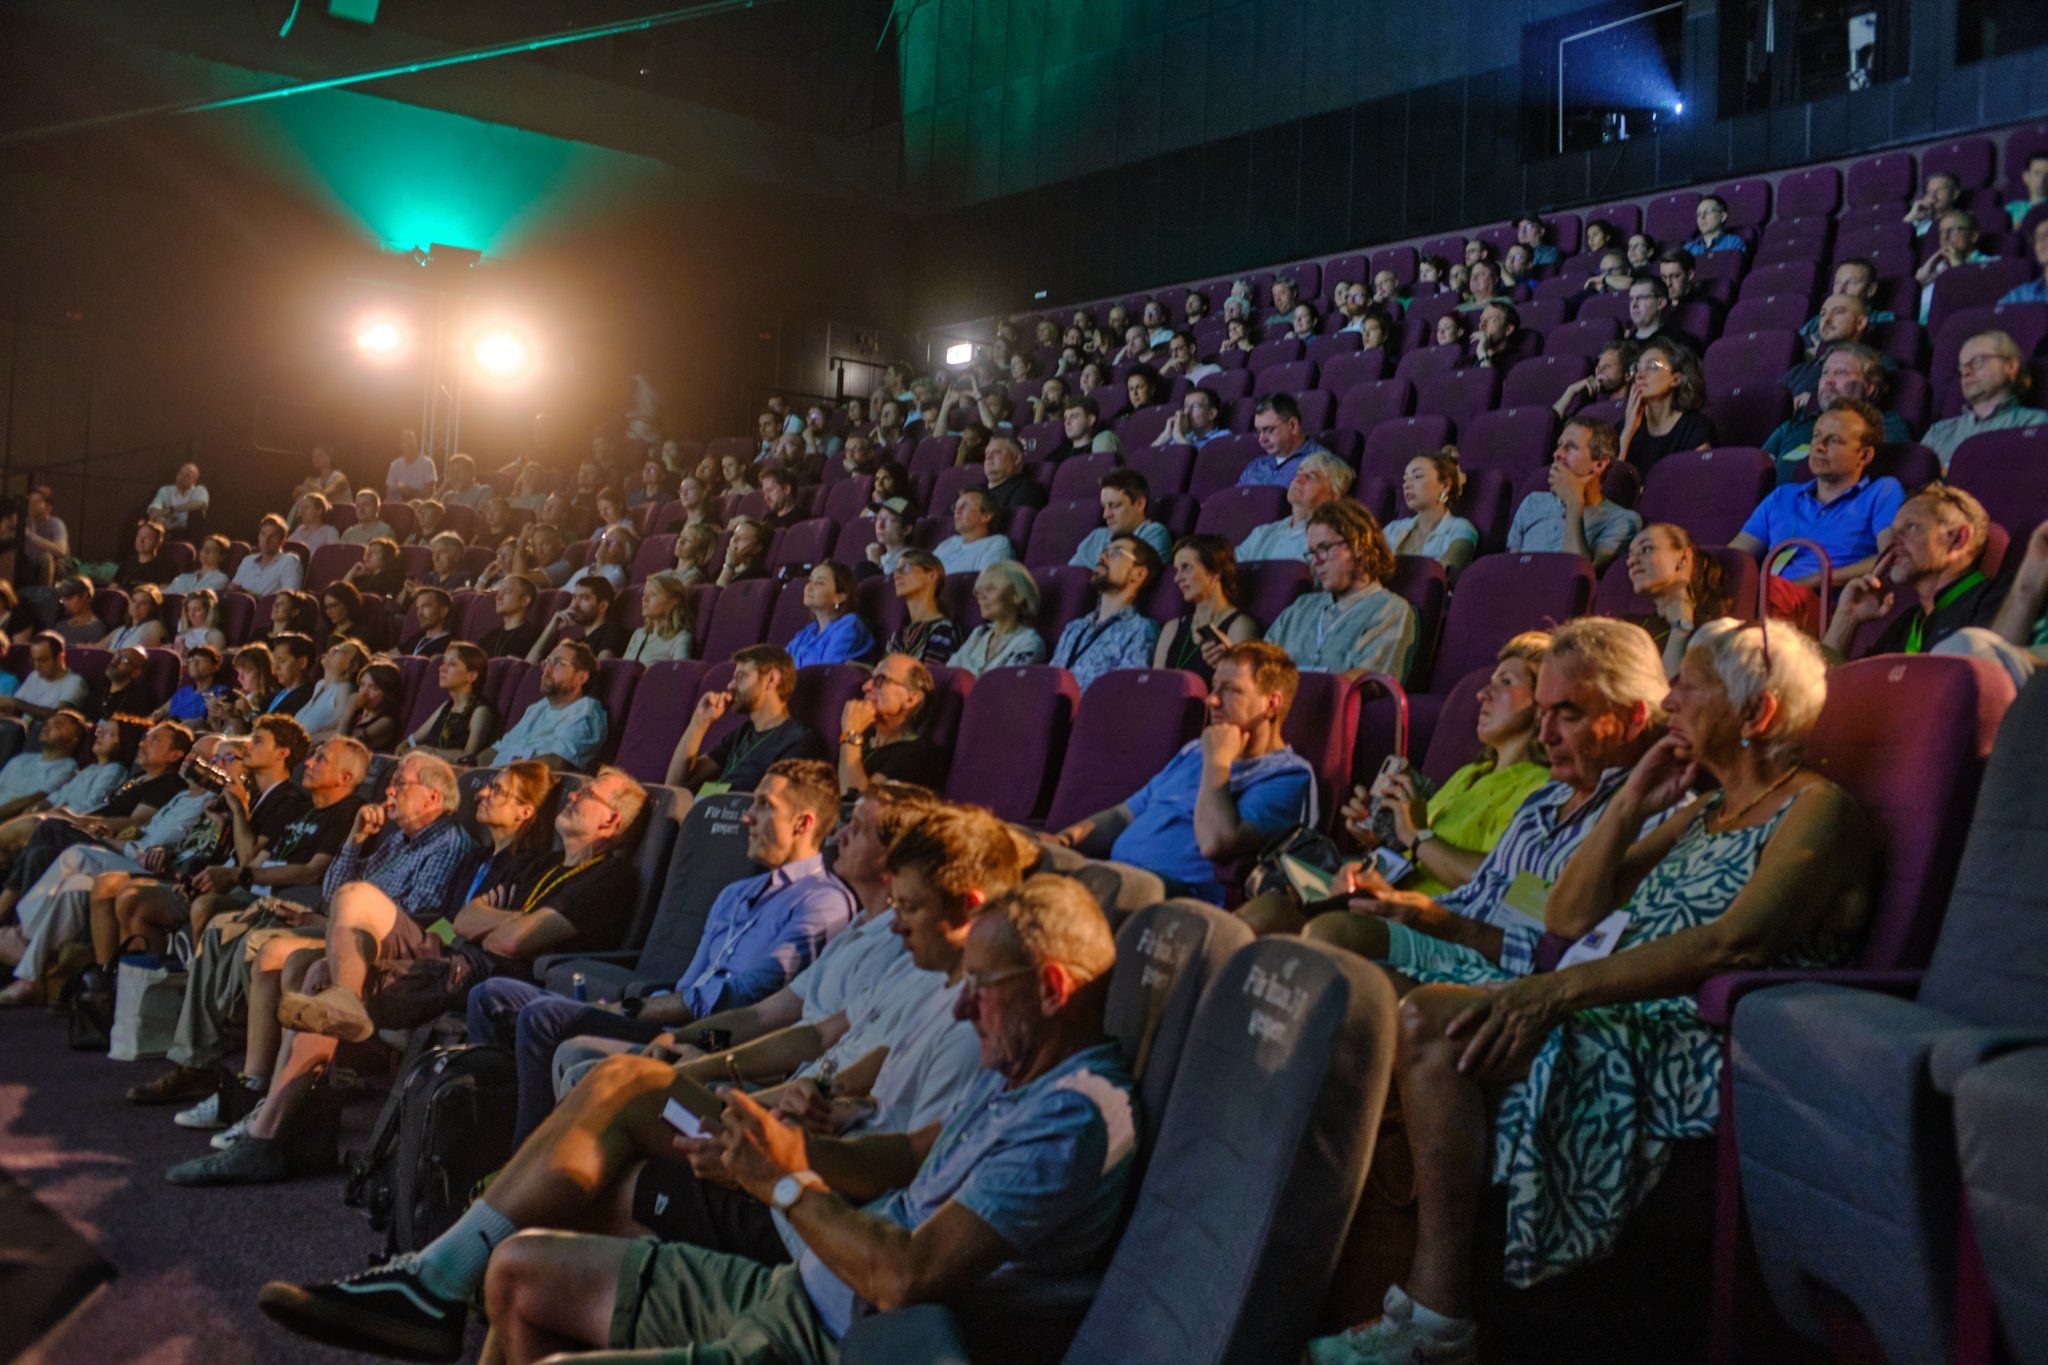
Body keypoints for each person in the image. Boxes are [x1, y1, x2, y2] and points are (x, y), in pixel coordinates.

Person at [257, 867, 1126, 1365]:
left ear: (1050, 990)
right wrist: (785, 1142)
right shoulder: (1010, 1065)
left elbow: (902, 1276)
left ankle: (431, 1279)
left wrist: (782, 1181)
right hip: (799, 1274)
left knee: (621, 1099)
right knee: (520, 1268)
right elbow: (901, 1153)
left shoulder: (1071, 1115)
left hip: (833, 1333)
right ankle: (435, 1283)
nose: (963, 1006)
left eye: (983, 989)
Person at [1309, 622, 1870, 1364]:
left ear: (1757, 714)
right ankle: (1346, 1258)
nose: (1670, 699)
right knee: (1356, 992)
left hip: (1697, 1036)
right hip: (1610, 997)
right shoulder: (1705, 811)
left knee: (1431, 1019)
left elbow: (1732, 943)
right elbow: (1572, 915)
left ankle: (1439, 1313)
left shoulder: (1815, 809)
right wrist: (1633, 800)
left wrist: (1556, 992)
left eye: (1690, 687)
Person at [467, 758, 853, 1141]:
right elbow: (691, 979)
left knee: (543, 1015)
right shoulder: (737, 893)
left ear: (803, 823)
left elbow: (749, 998)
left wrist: (642, 1010)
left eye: (764, 805)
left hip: (721, 1039)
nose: (748, 817)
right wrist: (653, 1011)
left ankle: (519, 1162)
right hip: (670, 1020)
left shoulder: (823, 902)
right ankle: (483, 1142)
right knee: (492, 995)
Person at [1296, 616, 1667, 980]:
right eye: (1545, 713)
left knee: (1328, 940)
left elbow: (1572, 951)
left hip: (1496, 966)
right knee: (1278, 909)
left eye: (1566, 715)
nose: (1546, 734)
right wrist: (1387, 885)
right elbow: (1484, 892)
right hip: (1455, 932)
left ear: (1632, 719)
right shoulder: (1544, 800)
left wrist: (1418, 846)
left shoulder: (1637, 813)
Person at [1052, 641, 1313, 903]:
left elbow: (1216, 842)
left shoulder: (1287, 775)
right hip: (1117, 877)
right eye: (1214, 688)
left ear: (1272, 703)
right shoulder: (1195, 751)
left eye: (1232, 690)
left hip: (1174, 900)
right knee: (1029, 852)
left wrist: (1218, 762)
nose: (1212, 700)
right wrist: (1062, 842)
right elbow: (1124, 814)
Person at [1732, 401, 1905, 623]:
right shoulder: (1782, 496)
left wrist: (1814, 580)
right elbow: (1735, 556)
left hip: (1825, 607)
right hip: (1766, 599)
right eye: (1816, 436)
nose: (1819, 446)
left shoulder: (1882, 491)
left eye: (1834, 440)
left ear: (1864, 455)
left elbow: (1889, 559)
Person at [1822, 484, 2007, 660]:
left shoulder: (1998, 600)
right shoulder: (1908, 622)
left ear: (1958, 538)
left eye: (1911, 527)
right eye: (1893, 531)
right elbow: (1828, 686)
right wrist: (1847, 617)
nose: (1892, 541)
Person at [1265, 501, 1419, 680]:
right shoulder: (1301, 607)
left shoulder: (1389, 609)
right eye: (1312, 553)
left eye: (1324, 549)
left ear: (1360, 546)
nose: (1315, 562)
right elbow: (1260, 665)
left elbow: (1369, 679)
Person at [665, 645, 828, 794]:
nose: (730, 685)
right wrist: (699, 722)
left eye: (741, 676)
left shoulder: (798, 741)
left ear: (771, 679)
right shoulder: (741, 734)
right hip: (710, 817)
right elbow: (676, 784)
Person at [1760, 342, 1910, 481]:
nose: (1829, 380)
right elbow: (1758, 473)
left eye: (1841, 373)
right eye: (1825, 372)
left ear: (1869, 387)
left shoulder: (1885, 426)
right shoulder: (1792, 426)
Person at [1506, 418, 1642, 569]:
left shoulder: (1623, 520)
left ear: (1599, 464)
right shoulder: (1532, 502)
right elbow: (1512, 571)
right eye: (1559, 446)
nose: (1557, 454)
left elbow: (1578, 575)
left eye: (1571, 447)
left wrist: (1574, 502)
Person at [1050, 533, 1163, 692]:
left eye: (1116, 553)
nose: (1102, 557)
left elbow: (1121, 694)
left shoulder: (1141, 629)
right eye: (1104, 551)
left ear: (1138, 574)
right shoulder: (1074, 628)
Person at [1920, 329, 2048, 468]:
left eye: (1977, 361)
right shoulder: (1938, 433)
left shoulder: (2035, 424)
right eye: (1962, 367)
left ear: (2010, 366)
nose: (1966, 372)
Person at [1625, 523, 1735, 676]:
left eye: (1646, 549)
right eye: (1629, 555)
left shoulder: (1712, 631)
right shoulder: (1630, 626)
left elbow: (1666, 693)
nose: (1631, 561)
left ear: (1683, 557)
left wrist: (1680, 630)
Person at [482, 640, 609, 771]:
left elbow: (558, 762)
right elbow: (497, 750)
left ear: (581, 678)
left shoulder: (585, 711)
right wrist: (468, 765)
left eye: (559, 663)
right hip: (493, 777)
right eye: (547, 662)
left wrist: (500, 772)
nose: (547, 670)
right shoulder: (538, 707)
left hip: (525, 783)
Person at [1152, 534, 1261, 683]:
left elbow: (1241, 686)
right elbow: (1155, 684)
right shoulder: (1172, 628)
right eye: (1177, 569)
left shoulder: (1239, 625)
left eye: (1186, 568)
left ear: (1215, 572)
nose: (1177, 578)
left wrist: (1229, 663)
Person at [838, 653, 950, 793]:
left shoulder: (919, 756)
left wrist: (850, 735)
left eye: (880, 680)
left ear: (910, 699)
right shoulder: (866, 738)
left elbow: (854, 805)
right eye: (870, 679)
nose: (866, 687)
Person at [1619, 337, 1716, 479]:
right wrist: (1627, 433)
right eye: (1637, 368)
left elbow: (1694, 484)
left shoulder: (1695, 428)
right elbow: (1607, 490)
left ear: (1676, 379)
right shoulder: (1624, 427)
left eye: (1652, 366)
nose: (1640, 375)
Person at [1236, 452, 1352, 563]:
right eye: (1298, 474)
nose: (1298, 479)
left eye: (1310, 477)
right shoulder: (1262, 533)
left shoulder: (1332, 540)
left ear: (1335, 494)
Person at [1382, 449, 1481, 578]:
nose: (1407, 485)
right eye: (1405, 479)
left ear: (1445, 485)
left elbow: (1439, 580)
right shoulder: (1393, 528)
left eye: (1417, 476)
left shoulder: (1461, 529)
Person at [405, 643, 501, 764]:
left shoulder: (481, 711)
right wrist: (402, 749)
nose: (441, 668)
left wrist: (429, 752)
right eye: (443, 662)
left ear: (471, 676)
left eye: (452, 664)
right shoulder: (448, 706)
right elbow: (411, 741)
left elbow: (468, 757)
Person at [950, 560, 1049, 676]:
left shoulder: (1029, 643)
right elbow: (951, 672)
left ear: (1016, 595)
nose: (981, 597)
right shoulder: (979, 633)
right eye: (979, 591)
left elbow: (1001, 686)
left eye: (990, 589)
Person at [1782, 294, 1878, 404]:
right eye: (1823, 314)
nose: (1826, 320)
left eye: (1838, 312)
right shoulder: (1797, 372)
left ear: (1860, 323)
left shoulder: (1878, 362)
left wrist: (1812, 403)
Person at [783, 561, 876, 668]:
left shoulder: (849, 626)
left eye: (820, 583)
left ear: (839, 597)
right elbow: (780, 663)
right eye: (810, 580)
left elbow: (825, 672)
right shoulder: (810, 630)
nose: (809, 587)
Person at [0, 709, 86, 822]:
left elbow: (36, 799)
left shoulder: (67, 769)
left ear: (74, 739)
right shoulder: (22, 759)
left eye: (57, 726)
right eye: (47, 724)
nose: (46, 727)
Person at [1913, 210, 1995, 322]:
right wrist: (1917, 283)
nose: (1945, 237)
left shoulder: (1991, 264)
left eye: (1953, 230)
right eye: (1941, 232)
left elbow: (1978, 301)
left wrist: (1957, 268)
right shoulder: (1932, 270)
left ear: (1973, 236)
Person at [1798, 259, 1894, 353]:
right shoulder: (1816, 323)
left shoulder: (1885, 321)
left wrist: (1824, 352)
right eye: (1837, 283)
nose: (1841, 290)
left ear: (1871, 290)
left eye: (1851, 283)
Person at [1238, 392, 1332, 487]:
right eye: (1258, 432)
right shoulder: (1256, 465)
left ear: (1292, 426)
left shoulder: (1321, 463)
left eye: (1269, 430)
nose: (1261, 439)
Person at [528, 576, 628, 664]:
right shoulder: (579, 643)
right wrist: (551, 629)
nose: (574, 605)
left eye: (584, 598)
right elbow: (529, 664)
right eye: (574, 597)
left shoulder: (612, 632)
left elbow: (600, 672)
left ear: (602, 606)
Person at [884, 551, 960, 664]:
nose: (896, 575)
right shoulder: (901, 634)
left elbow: (929, 676)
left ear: (932, 576)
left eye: (905, 569)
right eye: (895, 571)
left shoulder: (943, 630)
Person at [0, 633, 91, 723]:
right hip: (23, 732)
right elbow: (14, 709)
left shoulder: (74, 682)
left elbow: (58, 716)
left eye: (42, 660)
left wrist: (15, 703)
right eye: (33, 660)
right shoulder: (34, 676)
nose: (37, 666)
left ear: (60, 657)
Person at [931, 488, 1016, 575]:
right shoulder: (949, 542)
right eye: (955, 507)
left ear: (986, 516)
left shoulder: (996, 544)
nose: (957, 512)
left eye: (965, 506)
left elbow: (987, 585)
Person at [976, 434, 1047, 530]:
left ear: (1016, 458)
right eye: (986, 453)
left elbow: (1010, 528)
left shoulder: (1026, 489)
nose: (988, 457)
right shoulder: (974, 490)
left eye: (996, 452)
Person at [624, 571, 696, 664]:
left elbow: (680, 675)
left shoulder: (681, 638)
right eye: (644, 594)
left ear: (673, 602)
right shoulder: (638, 634)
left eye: (653, 594)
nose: (644, 599)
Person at [231, 515, 305, 596]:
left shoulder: (290, 562)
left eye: (273, 536)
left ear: (282, 541)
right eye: (263, 534)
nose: (266, 539)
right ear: (258, 536)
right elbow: (233, 590)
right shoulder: (247, 560)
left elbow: (288, 599)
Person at [156, 645, 230, 724]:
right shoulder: (181, 693)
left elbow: (213, 723)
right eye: (190, 662)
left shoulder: (220, 692)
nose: (194, 664)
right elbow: (161, 711)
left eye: (200, 660)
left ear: (215, 666)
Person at [342, 661, 404, 752]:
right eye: (362, 685)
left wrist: (346, 714)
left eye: (373, 688)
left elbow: (342, 745)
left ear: (388, 695)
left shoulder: (386, 722)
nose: (364, 693)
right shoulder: (360, 713)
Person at [481, 575, 546, 661]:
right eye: (498, 592)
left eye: (506, 592)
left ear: (525, 601)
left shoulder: (533, 637)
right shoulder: (490, 636)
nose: (498, 597)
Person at [18, 485, 68, 587]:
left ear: (48, 507)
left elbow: (61, 550)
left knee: (46, 558)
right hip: (31, 568)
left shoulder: (55, 523)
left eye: (36, 502)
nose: (31, 505)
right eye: (30, 502)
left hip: (55, 569)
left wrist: (30, 535)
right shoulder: (26, 522)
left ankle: (44, 596)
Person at [1157, 385, 1232, 449]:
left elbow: (1205, 462)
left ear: (1211, 414)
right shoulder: (1183, 436)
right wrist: (1165, 435)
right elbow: (1148, 460)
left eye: (1195, 406)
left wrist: (1180, 438)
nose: (1187, 412)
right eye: (1186, 406)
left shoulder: (1223, 436)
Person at [44, 575, 108, 647]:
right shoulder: (61, 626)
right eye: (63, 599)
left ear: (85, 595)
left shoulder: (96, 629)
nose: (65, 604)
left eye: (69, 598)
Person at [148, 462, 210, 534]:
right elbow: (154, 509)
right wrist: (156, 513)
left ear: (194, 481)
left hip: (189, 532)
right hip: (166, 531)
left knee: (197, 514)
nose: (181, 478)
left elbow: (201, 504)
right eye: (180, 473)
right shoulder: (165, 490)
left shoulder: (199, 490)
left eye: (187, 476)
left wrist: (171, 509)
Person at [105, 583, 170, 651]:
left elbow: (139, 653)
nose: (136, 606)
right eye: (134, 601)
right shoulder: (121, 629)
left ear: (153, 608)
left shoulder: (154, 626)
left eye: (143, 603)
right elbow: (96, 648)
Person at [1999, 216, 2048, 305]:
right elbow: (1996, 317)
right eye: (2036, 237)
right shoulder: (2020, 296)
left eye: (2047, 235)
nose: (2041, 242)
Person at [114, 519, 177, 587]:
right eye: (139, 536)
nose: (141, 541)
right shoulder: (127, 564)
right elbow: (113, 588)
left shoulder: (167, 567)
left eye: (147, 538)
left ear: (158, 542)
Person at [1055, 395, 1122, 459]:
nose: (1067, 422)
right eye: (1065, 418)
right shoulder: (1058, 455)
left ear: (1090, 420)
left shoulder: (1101, 446)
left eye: (1073, 416)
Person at [398, 586, 455, 657]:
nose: (419, 614)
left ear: (443, 611)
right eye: (418, 608)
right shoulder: (418, 638)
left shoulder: (448, 646)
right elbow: (389, 656)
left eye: (425, 606)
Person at [1682, 193, 1747, 256]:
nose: (1702, 217)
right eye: (1699, 214)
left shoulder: (1734, 243)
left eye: (1707, 212)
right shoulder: (1687, 249)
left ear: (1722, 216)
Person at [166, 534, 232, 594]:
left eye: (212, 550)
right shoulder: (183, 577)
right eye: (204, 548)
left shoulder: (220, 579)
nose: (206, 552)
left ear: (222, 557)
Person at [1904, 170, 1964, 237]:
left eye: (1939, 190)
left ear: (1954, 194)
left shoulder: (1963, 223)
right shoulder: (1920, 223)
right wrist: (1911, 216)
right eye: (1929, 191)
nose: (1932, 196)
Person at [385, 430, 437, 502]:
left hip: (420, 508)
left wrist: (411, 492)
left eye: (411, 439)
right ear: (400, 444)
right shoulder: (395, 465)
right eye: (405, 440)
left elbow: (429, 494)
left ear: (416, 442)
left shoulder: (427, 463)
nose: (409, 443)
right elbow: (389, 493)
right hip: (399, 508)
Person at [719, 516, 773, 586]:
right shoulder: (720, 568)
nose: (734, 540)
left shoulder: (757, 575)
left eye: (743, 537)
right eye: (734, 535)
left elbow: (717, 594)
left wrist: (729, 565)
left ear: (757, 548)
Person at [2007, 152, 2048, 229]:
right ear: (2026, 177)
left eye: (2047, 175)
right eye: (2037, 173)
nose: (2042, 179)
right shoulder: (2012, 208)